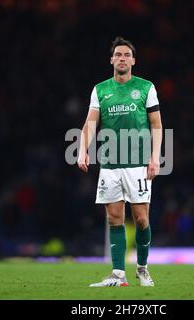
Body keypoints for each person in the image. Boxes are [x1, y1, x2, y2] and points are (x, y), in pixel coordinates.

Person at [78, 36, 162, 287]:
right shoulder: (100, 90)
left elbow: (156, 124)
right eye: (118, 55)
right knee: (114, 218)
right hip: (110, 164)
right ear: (111, 60)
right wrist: (83, 149)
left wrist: (154, 157)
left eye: (127, 55)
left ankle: (143, 268)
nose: (122, 58)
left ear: (133, 60)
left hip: (138, 163)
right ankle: (118, 275)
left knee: (141, 219)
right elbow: (90, 123)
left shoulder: (146, 87)